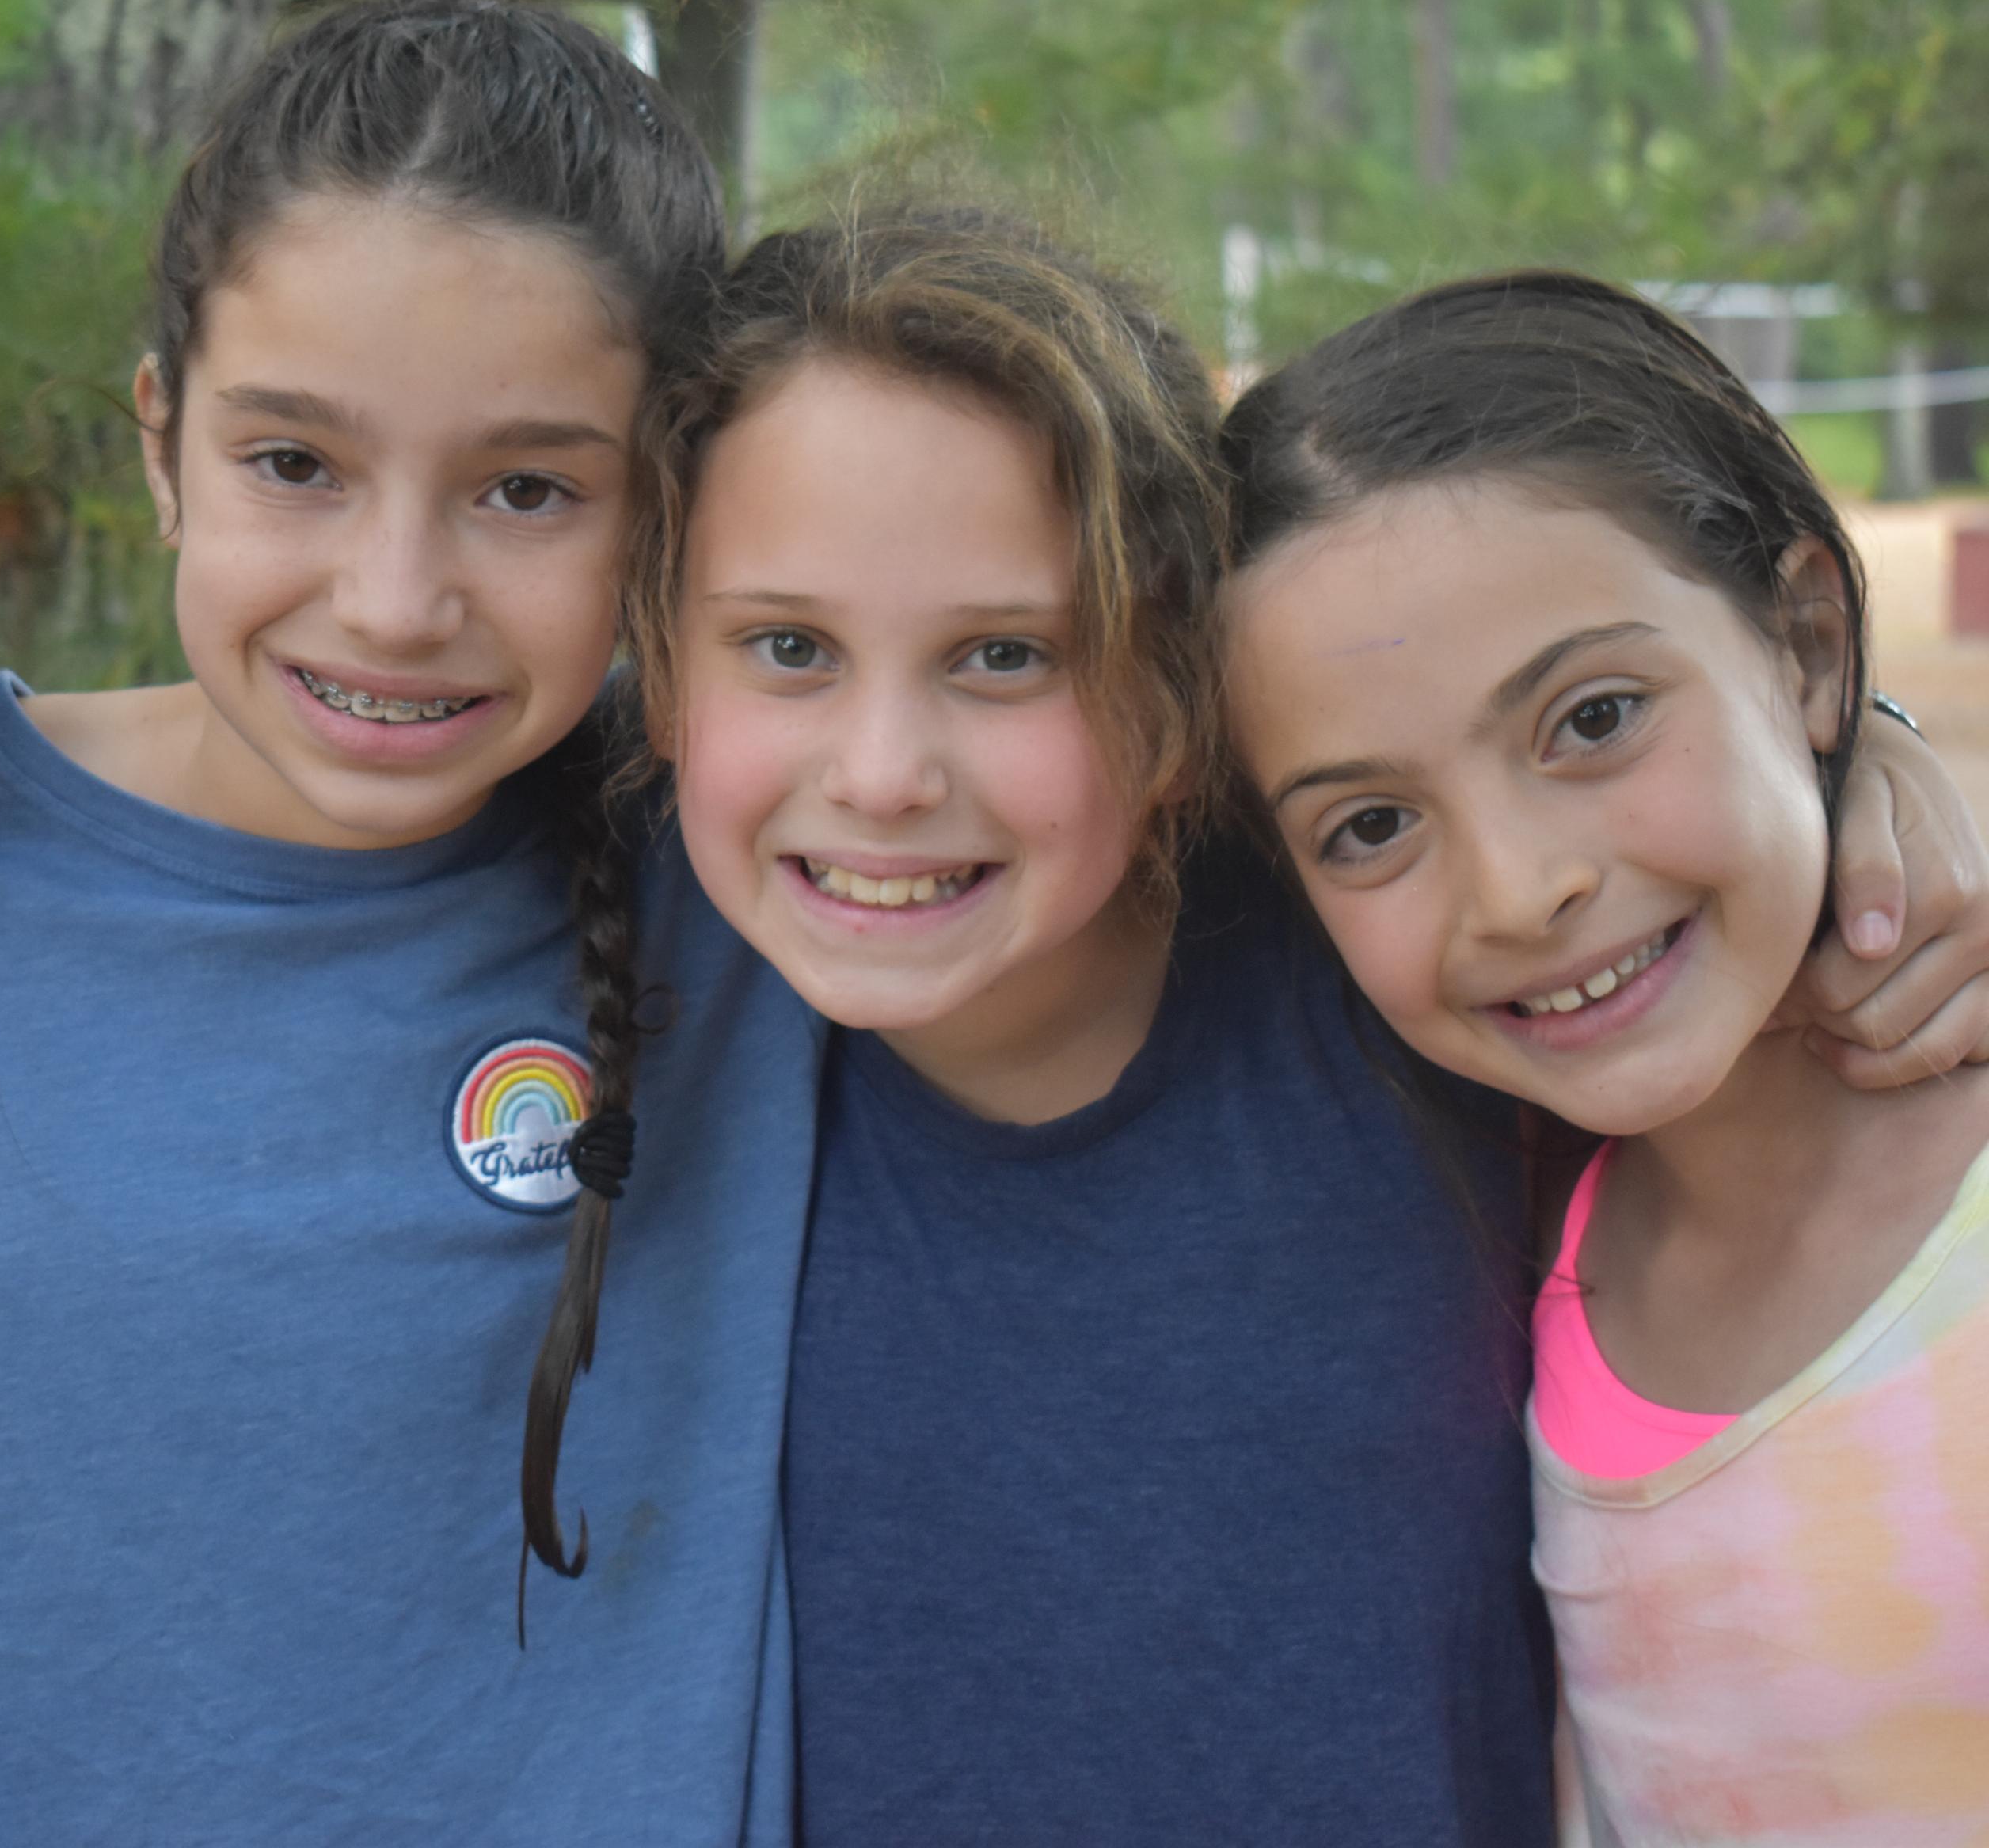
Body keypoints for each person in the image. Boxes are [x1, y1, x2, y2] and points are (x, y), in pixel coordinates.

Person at [625, 212, 1989, 1842]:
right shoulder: (643, 989)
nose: (881, 775)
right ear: (660, 671)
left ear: (1170, 710)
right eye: (788, 648)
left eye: (1005, 654)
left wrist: (1864, 762)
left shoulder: (1372, 973)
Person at [0, 0, 822, 1844]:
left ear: (662, 513)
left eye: (527, 487)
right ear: (161, 441)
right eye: (294, 462)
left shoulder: (772, 869)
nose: (393, 598)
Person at [1219, 271, 1989, 1848]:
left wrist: (1881, 744)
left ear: (1810, 644)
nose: (1519, 890)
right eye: (1371, 825)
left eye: (1594, 719)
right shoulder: (1495, 1248)